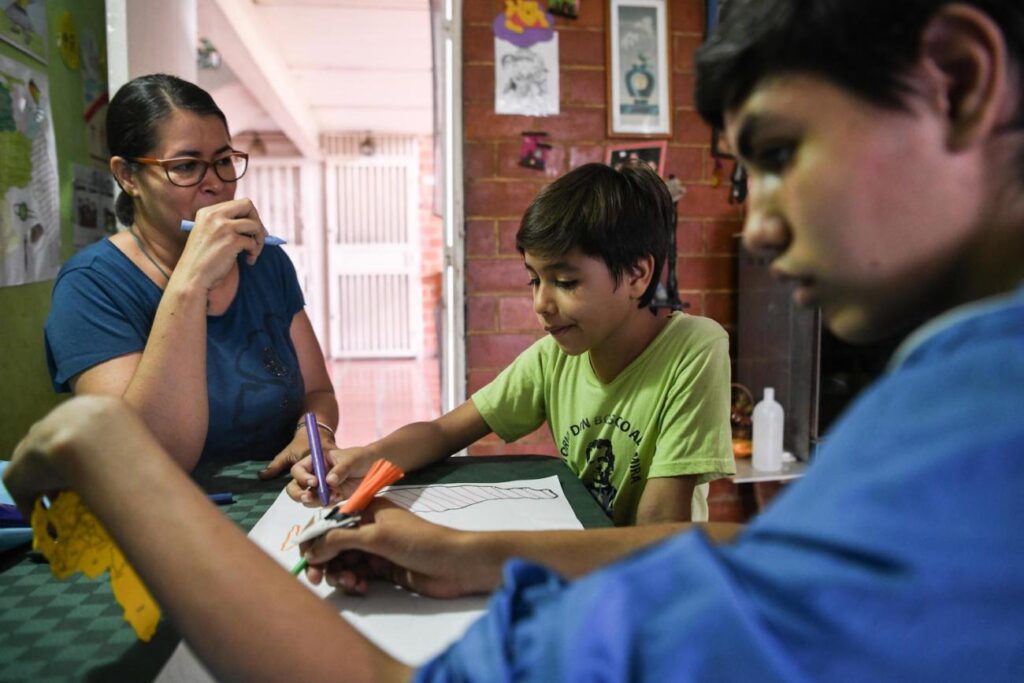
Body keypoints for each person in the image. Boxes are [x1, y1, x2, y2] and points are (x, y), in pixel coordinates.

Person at [6, 0, 1024, 679]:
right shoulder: (942, 385)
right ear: (129, 176)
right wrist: (462, 542)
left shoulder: (970, 427)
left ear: (960, 79)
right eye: (190, 167)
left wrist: (105, 446)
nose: (755, 223)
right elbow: (780, 552)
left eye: (780, 152)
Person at [288, 160, 735, 528]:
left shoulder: (694, 348)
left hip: (654, 583)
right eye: (534, 280)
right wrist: (358, 459)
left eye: (565, 281)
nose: (541, 303)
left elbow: (658, 530)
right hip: (585, 559)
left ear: (637, 275)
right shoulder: (552, 359)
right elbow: (445, 431)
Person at [43, 74, 336, 474]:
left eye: (223, 161)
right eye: (185, 166)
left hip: (280, 501)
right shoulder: (90, 286)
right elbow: (141, 461)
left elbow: (317, 391)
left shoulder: (264, 261)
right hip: (165, 517)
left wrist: (313, 434)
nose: (214, 184)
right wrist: (192, 279)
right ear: (129, 177)